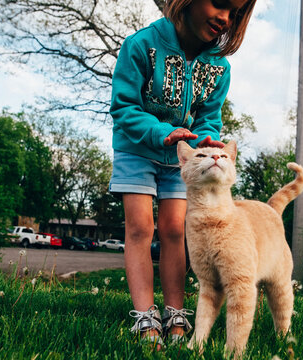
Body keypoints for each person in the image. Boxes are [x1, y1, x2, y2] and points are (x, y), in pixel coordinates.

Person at [109, 0, 257, 348]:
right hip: (137, 148)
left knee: (176, 228)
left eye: (234, 13)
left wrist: (206, 136)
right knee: (141, 227)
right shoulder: (140, 46)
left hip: (183, 159)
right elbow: (123, 106)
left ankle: (175, 312)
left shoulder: (219, 66)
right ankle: (145, 316)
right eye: (220, 4)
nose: (225, 17)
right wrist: (162, 131)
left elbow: (209, 115)